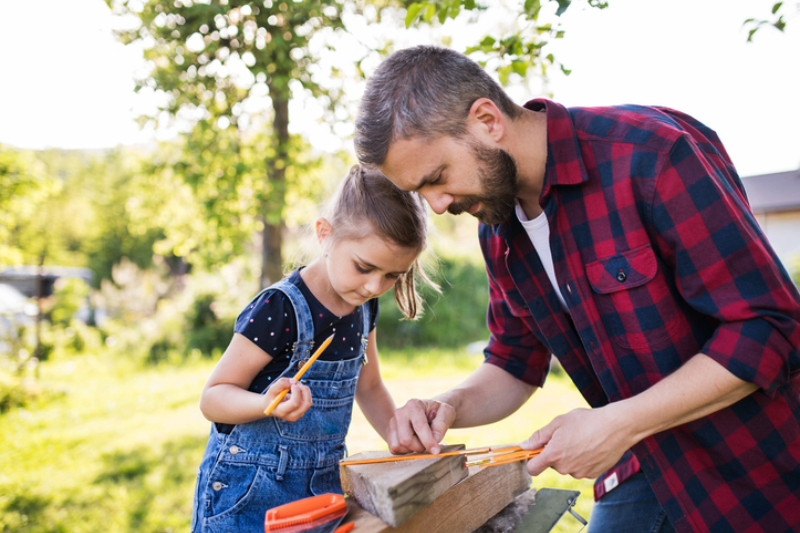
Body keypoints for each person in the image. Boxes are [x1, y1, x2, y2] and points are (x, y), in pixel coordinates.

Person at [354, 45, 800, 533]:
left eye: (437, 178)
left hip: (755, 466)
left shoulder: (652, 156)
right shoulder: (498, 227)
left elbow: (767, 327)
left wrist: (619, 423)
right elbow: (514, 362)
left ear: (486, 119)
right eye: (422, 192)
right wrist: (449, 406)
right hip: (641, 462)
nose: (437, 206)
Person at [191, 165, 435, 533]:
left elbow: (368, 388)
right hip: (249, 497)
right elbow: (213, 398)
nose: (373, 286)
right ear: (325, 234)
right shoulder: (279, 308)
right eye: (364, 267)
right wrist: (266, 404)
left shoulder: (363, 307)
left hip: (321, 494)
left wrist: (399, 440)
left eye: (391, 276)